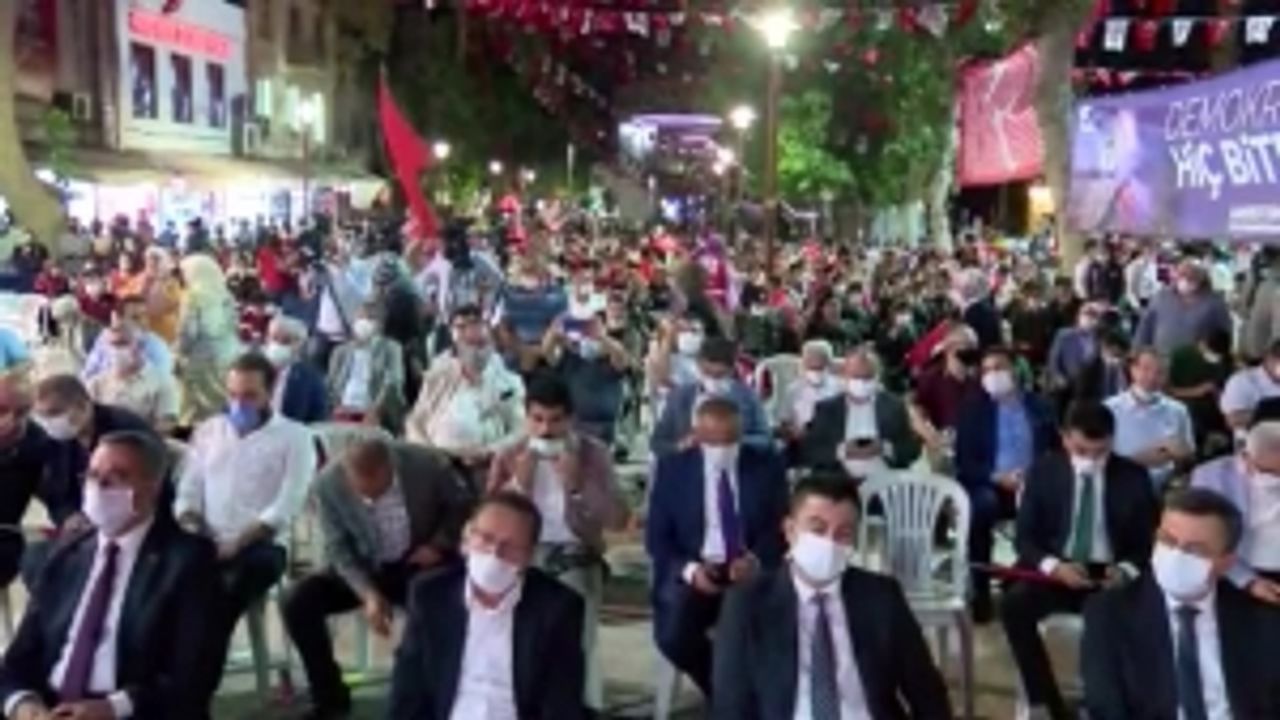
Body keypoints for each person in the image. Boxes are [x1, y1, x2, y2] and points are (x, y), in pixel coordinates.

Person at [0, 431, 218, 720]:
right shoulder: (66, 556)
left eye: (116, 478)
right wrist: (23, 704)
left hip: (130, 710)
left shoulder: (187, 561)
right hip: (51, 707)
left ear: (152, 488)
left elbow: (194, 673)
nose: (98, 488)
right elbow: (18, 660)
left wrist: (112, 708)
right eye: (92, 475)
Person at [711, 476, 953, 719]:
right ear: (790, 530)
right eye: (817, 529)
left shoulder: (881, 596)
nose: (829, 543)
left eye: (843, 533)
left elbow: (926, 691)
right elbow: (730, 703)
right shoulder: (748, 603)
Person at [283, 437, 474, 719]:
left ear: (390, 467)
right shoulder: (328, 484)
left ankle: (426, 700)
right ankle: (330, 698)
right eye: (363, 494)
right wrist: (367, 593)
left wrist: (438, 544)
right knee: (298, 600)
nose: (371, 501)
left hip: (419, 561)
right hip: (366, 565)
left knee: (433, 605)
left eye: (378, 492)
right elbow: (338, 548)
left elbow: (463, 506)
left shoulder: (426, 465)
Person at [1001, 401, 1159, 720]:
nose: (1091, 459)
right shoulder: (1044, 471)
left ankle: (1109, 704)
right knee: (1013, 605)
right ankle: (1046, 702)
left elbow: (1146, 543)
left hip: (1109, 574)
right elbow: (1025, 538)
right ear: (1065, 438)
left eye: (1100, 452)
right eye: (1082, 450)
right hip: (1057, 569)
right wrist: (1053, 566)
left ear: (1112, 442)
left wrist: (1125, 570)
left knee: (1113, 620)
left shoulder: (1133, 477)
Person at [174, 352, 315, 697]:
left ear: (270, 392)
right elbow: (188, 491)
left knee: (221, 598)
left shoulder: (295, 437)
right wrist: (194, 528)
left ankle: (193, 692)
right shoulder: (209, 431)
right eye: (233, 394)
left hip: (261, 545)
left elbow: (287, 504)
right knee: (169, 585)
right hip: (206, 539)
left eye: (250, 395)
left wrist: (237, 543)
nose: (240, 403)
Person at [487, 376, 629, 711]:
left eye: (555, 420)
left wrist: (578, 485)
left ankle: (575, 704)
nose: (546, 429)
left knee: (570, 618)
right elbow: (488, 518)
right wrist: (518, 486)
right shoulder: (509, 453)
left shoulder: (593, 454)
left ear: (571, 419)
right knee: (504, 617)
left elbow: (618, 519)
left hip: (573, 552)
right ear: (526, 417)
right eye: (537, 419)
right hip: (521, 553)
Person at [1082, 487, 1280, 719]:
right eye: (1167, 540)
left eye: (1195, 550)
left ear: (1226, 563)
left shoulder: (1262, 619)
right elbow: (1105, 707)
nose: (1176, 555)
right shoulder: (1110, 613)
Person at [387, 492, 586, 719]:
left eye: (510, 546)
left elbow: (561, 704)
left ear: (529, 556)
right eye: (486, 538)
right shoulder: (430, 594)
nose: (495, 553)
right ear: (466, 539)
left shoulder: (557, 608)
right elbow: (408, 690)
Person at [645, 396, 789, 696]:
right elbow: (657, 538)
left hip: (750, 572)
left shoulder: (766, 466)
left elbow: (779, 528)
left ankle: (739, 698)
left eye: (730, 440)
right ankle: (727, 693)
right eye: (713, 441)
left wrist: (756, 560)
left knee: (774, 633)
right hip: (696, 570)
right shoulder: (673, 470)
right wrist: (691, 570)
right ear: (697, 436)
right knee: (674, 637)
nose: (722, 448)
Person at [954, 347, 1059, 621]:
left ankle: (1032, 584)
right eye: (987, 370)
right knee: (981, 507)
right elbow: (965, 462)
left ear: (1014, 370)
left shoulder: (1039, 406)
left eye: (999, 367)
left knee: (1051, 510)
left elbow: (1056, 450)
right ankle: (980, 593)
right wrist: (996, 476)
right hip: (990, 484)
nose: (993, 375)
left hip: (1034, 483)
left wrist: (1035, 476)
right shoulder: (973, 410)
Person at [404, 305, 525, 485]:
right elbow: (414, 421)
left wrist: (489, 450)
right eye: (469, 344)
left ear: (491, 344)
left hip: (486, 465)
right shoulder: (439, 376)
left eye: (481, 344)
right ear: (458, 347)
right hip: (437, 463)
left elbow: (521, 429)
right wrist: (431, 454)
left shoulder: (508, 382)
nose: (476, 351)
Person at [31, 374, 155, 530]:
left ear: (83, 405)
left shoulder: (126, 431)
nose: (48, 423)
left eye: (55, 413)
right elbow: (55, 492)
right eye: (42, 416)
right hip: (82, 524)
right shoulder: (54, 440)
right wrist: (67, 516)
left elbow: (147, 487)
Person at [1191, 414, 1280, 604]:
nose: (1277, 478)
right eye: (1269, 472)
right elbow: (1205, 539)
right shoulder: (1211, 479)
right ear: (1245, 457)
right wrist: (1248, 581)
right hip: (1235, 572)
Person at [801, 347, 921, 481]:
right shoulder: (827, 409)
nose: (861, 383)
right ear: (844, 376)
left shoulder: (893, 406)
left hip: (884, 480)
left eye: (867, 377)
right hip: (839, 482)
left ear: (877, 377)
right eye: (856, 377)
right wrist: (843, 451)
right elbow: (811, 451)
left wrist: (884, 448)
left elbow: (911, 449)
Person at [649, 337, 770, 457]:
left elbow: (766, 440)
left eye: (720, 375)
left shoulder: (748, 397)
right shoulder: (680, 397)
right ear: (698, 365)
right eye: (707, 373)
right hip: (688, 464)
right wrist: (681, 446)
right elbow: (657, 443)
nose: (712, 380)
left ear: (732, 369)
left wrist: (734, 440)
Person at [1105, 348, 1196, 488]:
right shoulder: (1110, 408)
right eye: (1146, 369)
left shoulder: (1178, 411)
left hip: (1164, 487)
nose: (1152, 377)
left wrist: (1179, 454)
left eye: (1160, 372)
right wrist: (1143, 458)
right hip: (1121, 484)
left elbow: (1188, 454)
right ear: (1133, 370)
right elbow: (1099, 455)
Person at [540, 312, 632, 445]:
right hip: (571, 426)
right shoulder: (568, 358)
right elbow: (546, 351)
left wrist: (600, 336)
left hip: (601, 429)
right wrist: (555, 330)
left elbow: (620, 354)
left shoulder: (610, 361)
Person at [175, 254, 242, 427]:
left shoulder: (193, 296)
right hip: (229, 356)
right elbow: (234, 324)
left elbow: (188, 333)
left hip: (201, 360)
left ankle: (189, 439)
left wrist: (178, 354)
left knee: (193, 412)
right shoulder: (226, 295)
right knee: (222, 404)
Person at [85, 324, 179, 434]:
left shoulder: (163, 381)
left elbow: (166, 424)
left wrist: (136, 437)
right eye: (111, 344)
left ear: (140, 346)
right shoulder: (96, 384)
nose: (115, 350)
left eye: (122, 343)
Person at [0, 374, 48, 589]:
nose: (11, 420)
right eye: (1, 410)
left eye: (21, 412)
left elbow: (59, 496)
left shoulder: (39, 443)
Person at [325, 303, 405, 431]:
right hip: (343, 410)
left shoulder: (391, 348)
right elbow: (330, 384)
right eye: (361, 317)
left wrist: (375, 410)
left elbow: (394, 381)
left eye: (371, 318)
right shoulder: (340, 351)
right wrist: (336, 407)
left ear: (380, 324)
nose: (364, 322)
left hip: (375, 412)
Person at [1135, 260, 1233, 357]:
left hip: (1195, 360)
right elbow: (1145, 327)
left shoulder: (1214, 303)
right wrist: (1137, 351)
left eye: (1191, 278)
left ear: (1201, 280)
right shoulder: (1162, 297)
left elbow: (1224, 334)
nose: (1185, 281)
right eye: (1182, 276)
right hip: (1160, 358)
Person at [80, 297, 173, 381]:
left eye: (145, 315)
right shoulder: (105, 339)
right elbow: (88, 374)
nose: (143, 321)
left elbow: (160, 383)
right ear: (120, 320)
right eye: (135, 317)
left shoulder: (157, 346)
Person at [262, 315, 329, 424]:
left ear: (299, 345)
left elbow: (318, 420)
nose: (277, 345)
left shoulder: (310, 378)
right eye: (274, 338)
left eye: (286, 341)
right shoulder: (252, 370)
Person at [775, 340, 843, 442]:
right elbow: (784, 422)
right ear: (804, 365)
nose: (815, 373)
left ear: (828, 365)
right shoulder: (794, 389)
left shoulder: (840, 388)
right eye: (812, 368)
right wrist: (793, 432)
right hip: (801, 442)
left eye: (819, 368)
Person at [1220, 338, 1280, 435]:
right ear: (1269, 359)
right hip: (1257, 439)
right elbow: (1233, 419)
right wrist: (1268, 412)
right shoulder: (1242, 381)